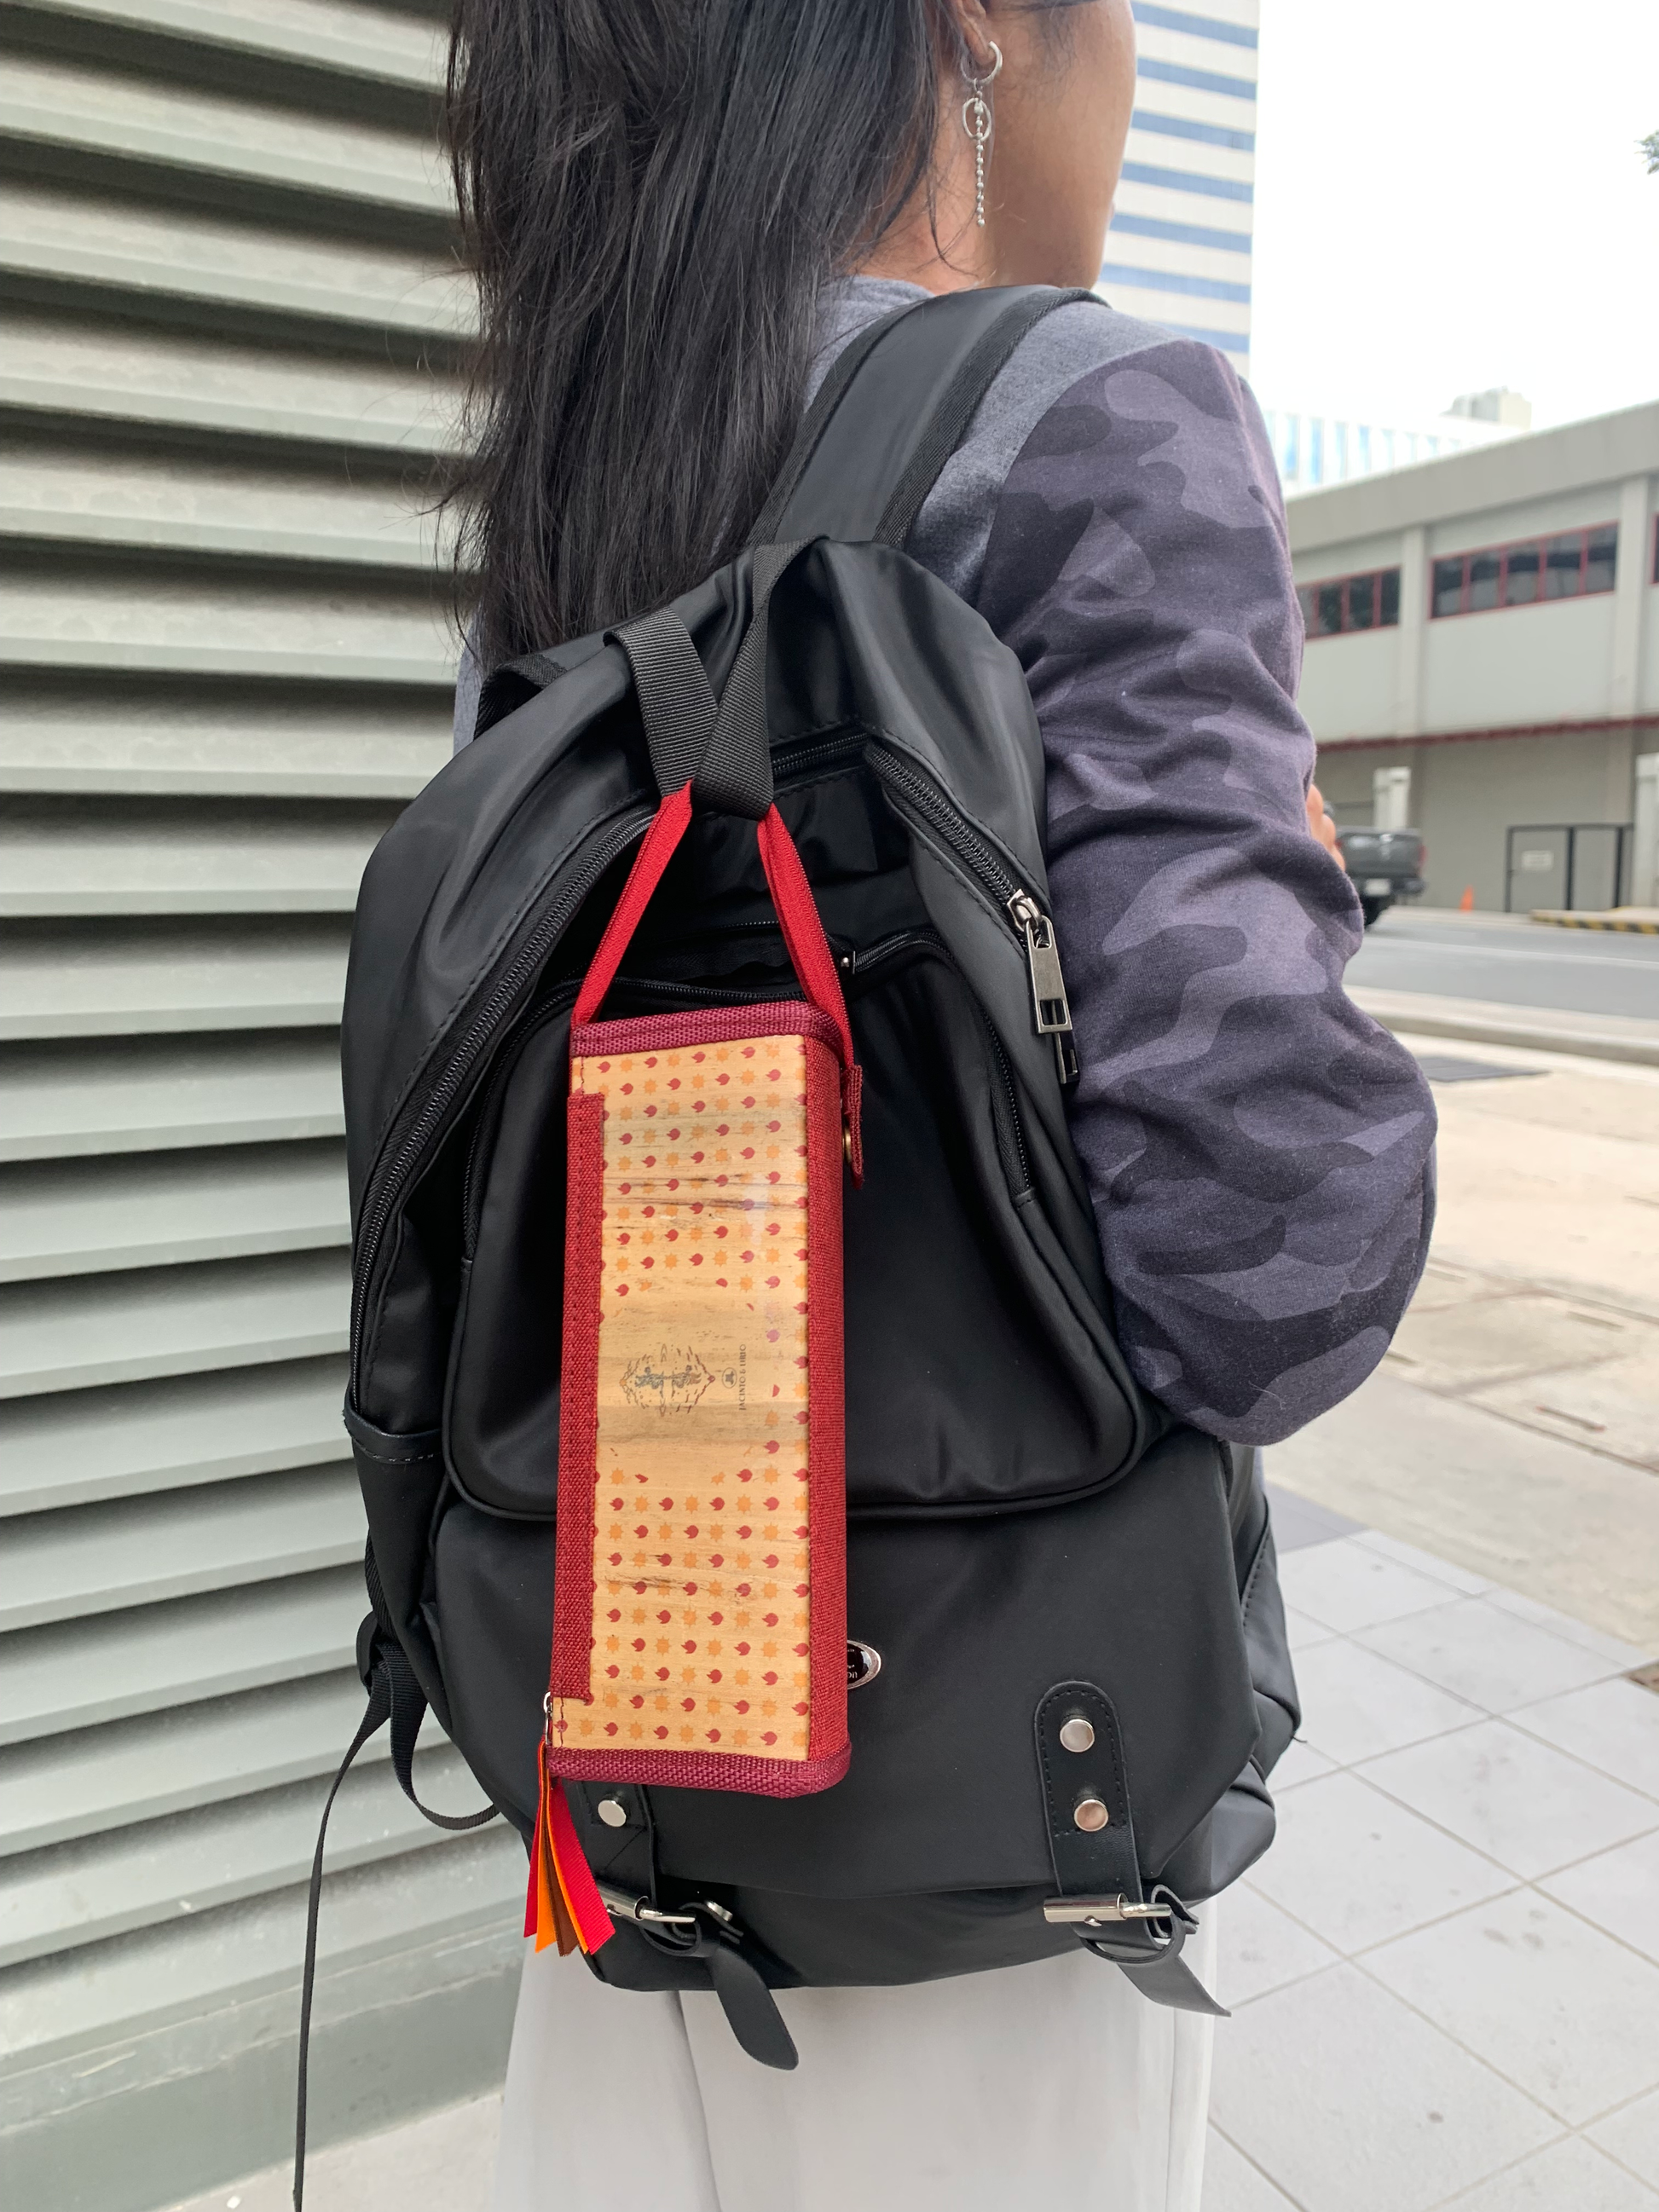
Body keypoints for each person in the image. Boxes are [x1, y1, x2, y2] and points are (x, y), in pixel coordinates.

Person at [444, 3, 1436, 2206]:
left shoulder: (585, 473)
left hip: (613, 1748)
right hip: (999, 1804)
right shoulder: (1098, 417)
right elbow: (1272, 1269)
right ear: (984, 15)